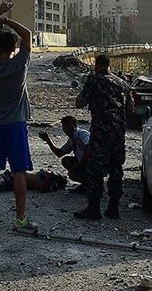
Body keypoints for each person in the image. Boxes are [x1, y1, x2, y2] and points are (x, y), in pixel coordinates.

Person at [0, 2, 37, 233]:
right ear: (14, 47)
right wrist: (7, 20)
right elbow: (28, 34)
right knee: (19, 172)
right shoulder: (20, 64)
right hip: (15, 124)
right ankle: (20, 218)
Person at [74, 55, 133, 220]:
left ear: (96, 66)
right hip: (119, 132)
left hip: (101, 131)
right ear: (109, 65)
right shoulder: (123, 83)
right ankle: (113, 208)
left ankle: (94, 208)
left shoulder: (95, 80)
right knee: (116, 168)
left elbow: (80, 102)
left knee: (96, 169)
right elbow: (131, 107)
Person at [39, 115, 90, 190]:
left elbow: (89, 149)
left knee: (73, 173)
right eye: (64, 127)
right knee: (66, 161)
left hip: (92, 162)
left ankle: (89, 182)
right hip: (83, 163)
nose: (66, 130)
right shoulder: (71, 140)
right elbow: (59, 153)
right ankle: (86, 182)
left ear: (74, 125)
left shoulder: (82, 134)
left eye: (68, 126)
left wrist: (78, 166)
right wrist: (48, 140)